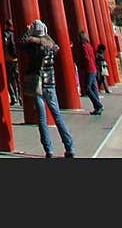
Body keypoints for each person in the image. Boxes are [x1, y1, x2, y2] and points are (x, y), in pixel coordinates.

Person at [20, 19, 76, 158]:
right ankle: (69, 146)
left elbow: (21, 43)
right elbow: (55, 46)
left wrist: (27, 31)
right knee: (57, 116)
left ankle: (48, 149)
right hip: (50, 83)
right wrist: (45, 34)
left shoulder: (33, 47)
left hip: (37, 84)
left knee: (42, 118)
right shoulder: (52, 46)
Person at [74, 30, 104, 114]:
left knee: (87, 88)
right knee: (94, 88)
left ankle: (98, 105)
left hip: (89, 68)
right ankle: (97, 108)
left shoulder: (83, 46)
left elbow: (86, 58)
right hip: (93, 68)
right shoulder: (89, 45)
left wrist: (81, 64)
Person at [3, 20, 21, 105]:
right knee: (18, 79)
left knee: (9, 79)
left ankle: (13, 97)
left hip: (8, 60)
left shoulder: (5, 34)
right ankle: (20, 97)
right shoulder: (16, 33)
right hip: (16, 59)